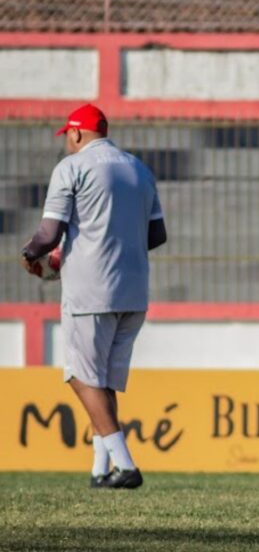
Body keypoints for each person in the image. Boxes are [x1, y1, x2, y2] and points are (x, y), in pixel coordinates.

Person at [19, 104, 166, 489]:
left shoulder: (72, 168)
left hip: (89, 290)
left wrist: (30, 254)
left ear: (77, 133)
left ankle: (126, 465)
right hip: (133, 290)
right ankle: (103, 470)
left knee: (81, 378)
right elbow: (156, 235)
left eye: (68, 136)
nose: (67, 142)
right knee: (102, 381)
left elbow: (49, 232)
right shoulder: (139, 169)